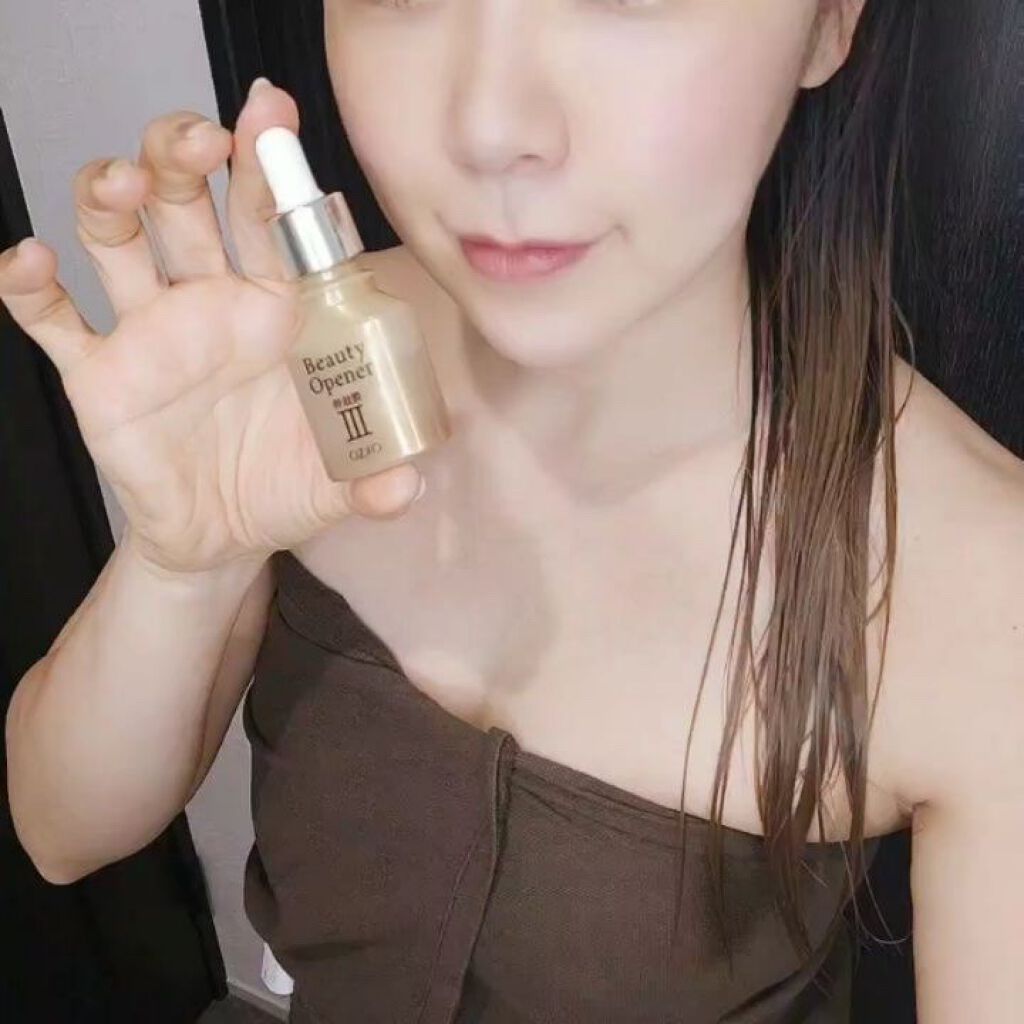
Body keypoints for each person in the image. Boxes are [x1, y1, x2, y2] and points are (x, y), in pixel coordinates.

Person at [3, 0, 1022, 1020]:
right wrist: (183, 562)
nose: (488, 127)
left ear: (828, 23)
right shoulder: (310, 368)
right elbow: (60, 832)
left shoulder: (983, 591)